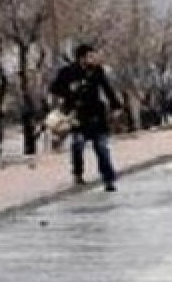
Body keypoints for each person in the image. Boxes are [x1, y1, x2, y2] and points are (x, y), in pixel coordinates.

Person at [50, 44, 123, 191]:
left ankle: (108, 179)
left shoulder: (97, 71)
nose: (94, 58)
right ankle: (78, 173)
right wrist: (69, 91)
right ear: (81, 58)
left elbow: (107, 88)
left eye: (94, 55)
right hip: (77, 115)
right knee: (78, 145)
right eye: (90, 56)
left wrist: (116, 106)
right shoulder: (67, 72)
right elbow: (53, 88)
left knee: (102, 148)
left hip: (96, 115)